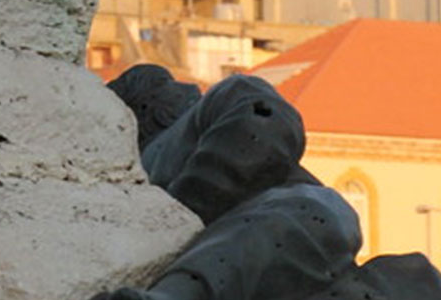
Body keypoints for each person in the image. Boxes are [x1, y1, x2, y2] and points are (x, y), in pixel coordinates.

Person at [96, 65, 441, 300]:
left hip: (293, 254)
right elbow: (263, 124)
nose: (189, 88)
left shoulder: (145, 178)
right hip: (291, 230)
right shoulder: (172, 141)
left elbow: (263, 126)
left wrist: (183, 213)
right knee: (310, 210)